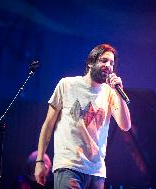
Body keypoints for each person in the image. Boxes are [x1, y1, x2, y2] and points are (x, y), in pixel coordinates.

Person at [34, 43, 131, 189]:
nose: (109, 65)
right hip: (69, 166)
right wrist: (40, 161)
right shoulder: (67, 85)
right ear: (91, 62)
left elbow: (125, 126)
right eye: (104, 60)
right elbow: (48, 125)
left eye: (111, 63)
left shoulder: (110, 93)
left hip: (96, 172)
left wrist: (119, 93)